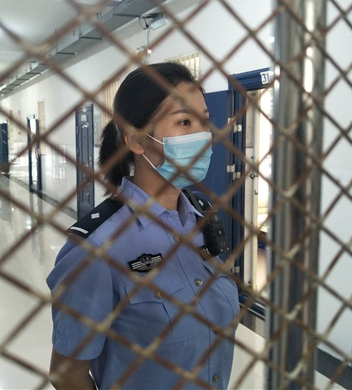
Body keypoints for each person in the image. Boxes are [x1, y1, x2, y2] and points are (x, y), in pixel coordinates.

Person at [46, 62, 239, 389]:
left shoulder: (202, 219)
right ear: (136, 140)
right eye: (184, 122)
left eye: (204, 121)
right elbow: (67, 374)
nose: (202, 136)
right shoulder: (97, 248)